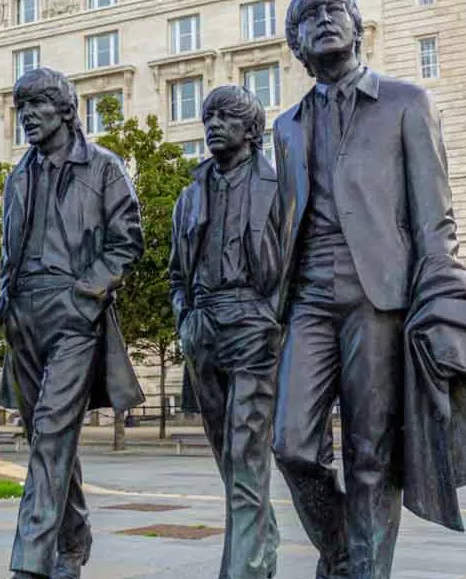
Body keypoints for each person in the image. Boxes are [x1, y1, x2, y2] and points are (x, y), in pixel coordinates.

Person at [270, 0, 459, 578]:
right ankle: (347, 553)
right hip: (308, 298)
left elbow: (435, 216)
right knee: (292, 446)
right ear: (297, 44)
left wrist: (438, 296)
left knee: (371, 454)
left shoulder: (407, 103)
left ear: (357, 28)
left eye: (335, 12)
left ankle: (366, 571)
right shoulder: (288, 125)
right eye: (310, 18)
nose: (325, 22)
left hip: (380, 296)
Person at [0, 67, 144, 579]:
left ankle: (30, 562)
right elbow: (8, 251)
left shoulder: (104, 168)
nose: (27, 117)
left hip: (75, 312)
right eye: (21, 108)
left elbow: (127, 242)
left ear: (65, 109)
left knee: (53, 431)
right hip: (23, 318)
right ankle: (74, 534)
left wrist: (88, 295)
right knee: (45, 435)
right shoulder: (17, 176)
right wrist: (5, 304)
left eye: (36, 105)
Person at [169, 85, 283, 579]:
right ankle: (259, 544)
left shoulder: (278, 187)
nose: (214, 124)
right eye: (209, 116)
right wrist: (184, 317)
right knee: (228, 458)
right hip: (203, 328)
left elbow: (296, 264)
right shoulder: (190, 194)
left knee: (245, 451)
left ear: (253, 131)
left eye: (228, 116)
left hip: (255, 325)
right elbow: (177, 272)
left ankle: (245, 570)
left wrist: (271, 315)